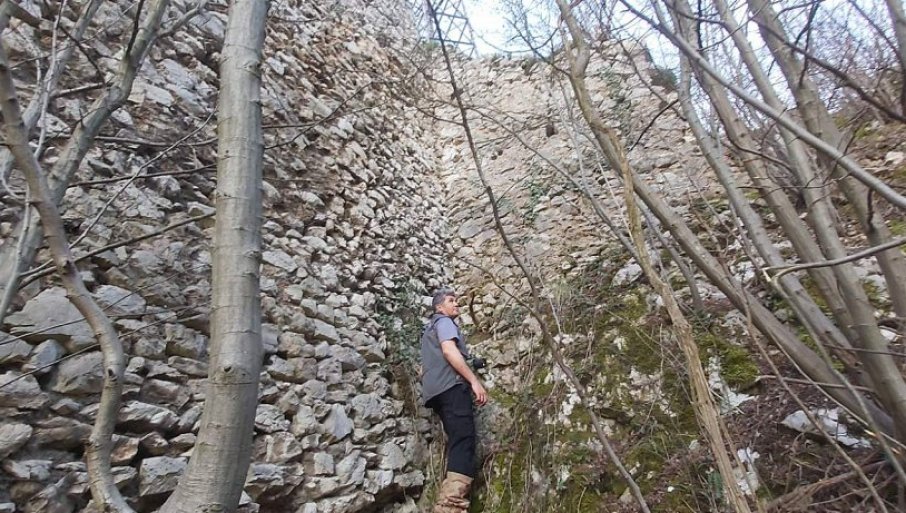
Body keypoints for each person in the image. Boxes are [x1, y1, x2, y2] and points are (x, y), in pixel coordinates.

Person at [420, 288, 488, 513]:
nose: (456, 304)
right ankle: (450, 505)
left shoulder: (428, 330)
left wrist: (472, 362)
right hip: (451, 387)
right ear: (439, 307)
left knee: (457, 439)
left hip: (436, 392)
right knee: (464, 440)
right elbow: (449, 352)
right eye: (451, 301)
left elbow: (431, 363)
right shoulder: (444, 322)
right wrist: (474, 381)